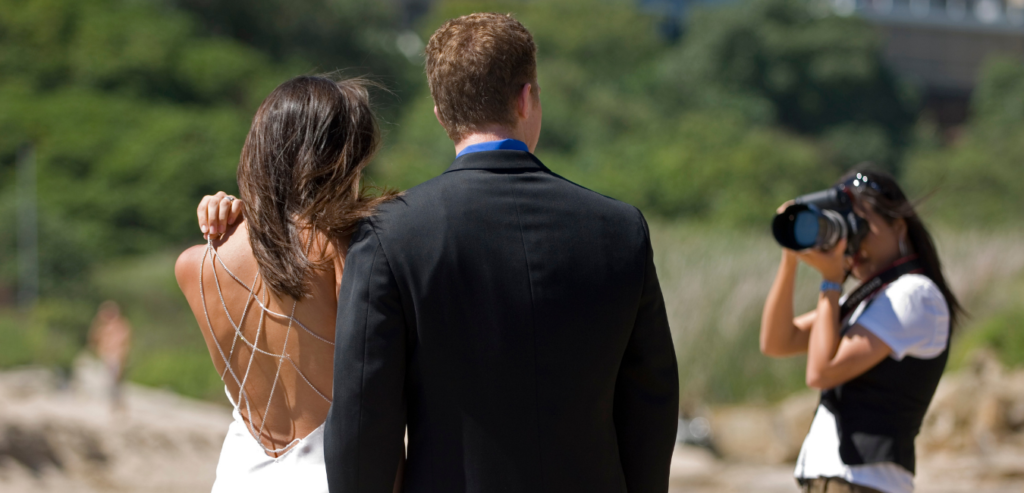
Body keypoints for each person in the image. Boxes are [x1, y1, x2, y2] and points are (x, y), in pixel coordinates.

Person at [322, 12, 679, 493]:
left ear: (440, 114)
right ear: (527, 97)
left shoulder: (390, 234)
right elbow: (651, 402)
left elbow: (364, 418)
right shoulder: (620, 230)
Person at [175, 75, 398, 493]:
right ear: (334, 159)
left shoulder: (193, 266)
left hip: (238, 478)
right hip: (335, 475)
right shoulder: (346, 248)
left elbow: (270, 248)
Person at [760, 169, 963, 493]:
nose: (854, 243)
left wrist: (830, 281)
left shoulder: (913, 296)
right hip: (831, 481)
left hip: (865, 483)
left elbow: (822, 372)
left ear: (899, 225)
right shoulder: (867, 300)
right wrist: (791, 257)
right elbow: (776, 341)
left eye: (861, 227)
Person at [88, 300, 132, 412]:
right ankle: (114, 406)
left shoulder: (120, 326)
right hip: (106, 357)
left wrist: (122, 359)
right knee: (108, 383)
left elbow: (123, 345)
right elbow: (94, 339)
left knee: (114, 383)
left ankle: (117, 406)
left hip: (115, 357)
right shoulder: (103, 327)